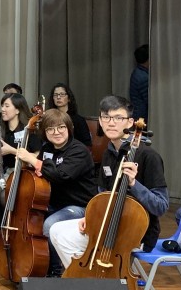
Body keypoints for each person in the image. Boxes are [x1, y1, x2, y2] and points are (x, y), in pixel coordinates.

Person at [48, 95, 168, 269]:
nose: (111, 123)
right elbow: (103, 193)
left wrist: (134, 184)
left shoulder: (148, 156)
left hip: (135, 231)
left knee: (66, 238)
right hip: (108, 221)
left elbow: (161, 206)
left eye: (118, 118)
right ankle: (90, 277)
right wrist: (91, 216)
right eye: (106, 117)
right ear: (101, 122)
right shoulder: (109, 152)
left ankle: (91, 280)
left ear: (130, 123)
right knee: (56, 230)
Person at [14, 108, 97, 276]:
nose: (56, 132)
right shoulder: (47, 149)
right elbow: (42, 174)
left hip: (78, 207)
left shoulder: (78, 151)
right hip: (53, 203)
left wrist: (32, 159)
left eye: (61, 127)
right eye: (50, 129)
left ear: (68, 128)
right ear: (45, 132)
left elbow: (61, 176)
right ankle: (37, 264)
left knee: (50, 225)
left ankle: (56, 271)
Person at [0, 93, 42, 237]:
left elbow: (36, 156)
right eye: (2, 106)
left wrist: (11, 150)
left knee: (2, 197)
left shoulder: (28, 129)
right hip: (7, 173)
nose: (3, 109)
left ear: (17, 110)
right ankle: (2, 233)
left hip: (25, 173)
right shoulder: (1, 129)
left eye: (7, 106)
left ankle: (13, 234)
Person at [46, 83, 92, 148]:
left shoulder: (78, 120)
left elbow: (87, 143)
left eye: (62, 94)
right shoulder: (49, 119)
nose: (58, 97)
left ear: (69, 98)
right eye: (55, 95)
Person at [129, 45, 150, 124]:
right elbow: (149, 100)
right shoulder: (143, 77)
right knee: (140, 135)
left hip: (139, 116)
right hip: (142, 119)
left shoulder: (138, 72)